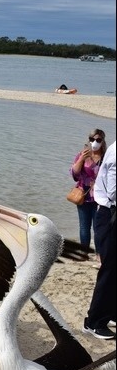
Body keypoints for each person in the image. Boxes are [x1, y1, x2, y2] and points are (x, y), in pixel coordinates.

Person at [83, 139, 115, 340]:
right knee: (110, 269)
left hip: (110, 213)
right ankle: (93, 322)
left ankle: (111, 313)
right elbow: (113, 191)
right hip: (110, 215)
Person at [69, 129, 107, 251]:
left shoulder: (106, 157)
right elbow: (74, 174)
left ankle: (99, 254)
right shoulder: (82, 155)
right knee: (84, 227)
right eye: (92, 139)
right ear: (88, 140)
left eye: (98, 140)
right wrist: (81, 159)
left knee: (98, 227)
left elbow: (107, 176)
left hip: (100, 198)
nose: (94, 142)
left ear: (102, 141)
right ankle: (84, 253)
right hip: (83, 196)